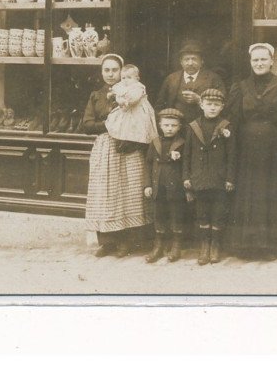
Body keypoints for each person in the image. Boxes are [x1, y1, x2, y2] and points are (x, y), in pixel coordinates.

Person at [225, 43, 277, 259]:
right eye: (255, 60)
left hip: (274, 149)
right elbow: (233, 121)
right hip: (247, 151)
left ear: (272, 61)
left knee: (272, 193)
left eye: (263, 59)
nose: (259, 63)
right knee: (250, 193)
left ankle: (274, 246)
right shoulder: (240, 87)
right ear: (250, 63)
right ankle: (248, 245)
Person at [83, 54, 149, 258]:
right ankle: (107, 242)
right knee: (105, 194)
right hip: (106, 147)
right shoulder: (96, 95)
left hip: (128, 146)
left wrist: (129, 135)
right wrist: (110, 125)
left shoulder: (134, 92)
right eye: (106, 70)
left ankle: (127, 241)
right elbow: (86, 124)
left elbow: (143, 119)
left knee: (129, 192)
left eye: (115, 70)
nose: (111, 74)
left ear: (122, 71)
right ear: (102, 72)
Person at [183, 88, 236, 265]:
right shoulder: (193, 127)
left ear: (222, 107)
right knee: (202, 213)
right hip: (199, 178)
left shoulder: (226, 127)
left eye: (216, 105)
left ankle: (215, 245)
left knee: (218, 213)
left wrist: (230, 178)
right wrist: (186, 177)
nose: (212, 108)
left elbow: (232, 155)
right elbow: (187, 155)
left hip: (219, 179)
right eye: (208, 104)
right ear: (201, 105)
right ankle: (204, 246)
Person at [144, 108, 188, 263]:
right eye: (166, 125)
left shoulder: (182, 143)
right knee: (159, 215)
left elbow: (187, 165)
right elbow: (148, 164)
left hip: (175, 187)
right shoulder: (155, 142)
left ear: (179, 127)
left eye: (173, 125)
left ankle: (176, 245)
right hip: (158, 186)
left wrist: (179, 158)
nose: (169, 128)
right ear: (160, 125)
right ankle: (159, 246)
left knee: (176, 214)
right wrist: (148, 185)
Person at [155, 40, 226, 124]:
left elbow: (223, 103)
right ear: (181, 62)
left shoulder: (213, 78)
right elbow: (159, 105)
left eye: (194, 59)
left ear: (201, 61)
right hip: (177, 127)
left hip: (203, 125)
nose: (190, 63)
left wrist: (199, 100)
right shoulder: (171, 79)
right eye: (186, 59)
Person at [104, 63, 158, 152]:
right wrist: (113, 95)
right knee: (121, 126)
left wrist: (124, 100)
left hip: (138, 111)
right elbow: (115, 92)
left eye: (129, 78)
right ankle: (122, 142)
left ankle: (135, 144)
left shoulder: (138, 87)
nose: (125, 80)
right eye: (123, 78)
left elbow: (134, 98)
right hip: (126, 111)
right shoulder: (121, 86)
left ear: (137, 79)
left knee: (137, 127)